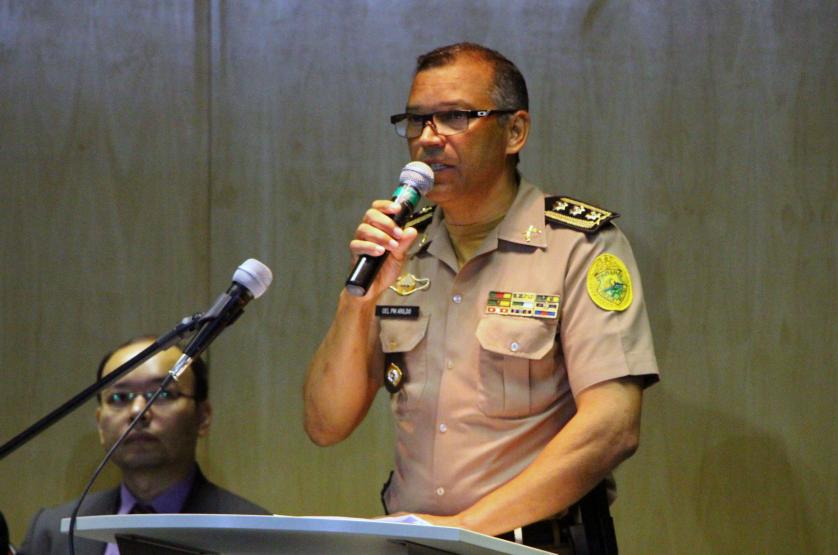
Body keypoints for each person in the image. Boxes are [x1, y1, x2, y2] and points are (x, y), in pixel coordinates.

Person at [303, 42, 659, 554]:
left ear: (515, 132)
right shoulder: (405, 250)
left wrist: (466, 529)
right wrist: (357, 301)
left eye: (454, 117)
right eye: (416, 120)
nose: (429, 139)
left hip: (535, 545)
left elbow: (613, 427)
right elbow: (324, 424)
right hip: (414, 544)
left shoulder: (578, 245)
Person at [18, 336, 268, 555]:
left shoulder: (256, 533)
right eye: (119, 397)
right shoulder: (53, 531)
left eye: (161, 394)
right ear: (100, 424)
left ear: (203, 417)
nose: (138, 411)